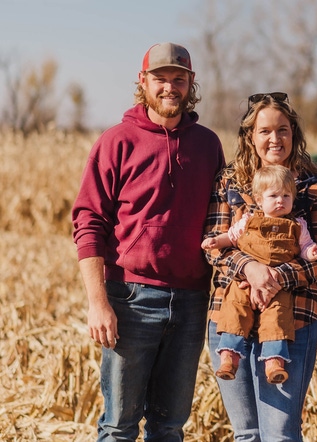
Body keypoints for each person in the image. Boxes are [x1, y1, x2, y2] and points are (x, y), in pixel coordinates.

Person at [72, 42, 225, 441]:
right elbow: (88, 222)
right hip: (130, 298)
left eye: (179, 79)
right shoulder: (116, 141)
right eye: (161, 79)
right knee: (119, 425)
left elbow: (224, 218)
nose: (170, 87)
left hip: (192, 301)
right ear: (143, 82)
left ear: (191, 84)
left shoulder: (208, 145)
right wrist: (97, 302)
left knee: (169, 426)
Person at [203, 92, 317, 441]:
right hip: (229, 316)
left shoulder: (316, 183)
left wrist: (276, 277)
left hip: (292, 319)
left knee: (280, 432)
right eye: (264, 131)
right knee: (247, 433)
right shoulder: (230, 181)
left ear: (294, 133)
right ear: (251, 135)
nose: (274, 138)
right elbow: (214, 244)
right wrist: (249, 268)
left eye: (282, 130)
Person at [202, 164, 317, 384]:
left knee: (277, 316)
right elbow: (230, 238)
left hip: (278, 287)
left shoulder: (297, 225)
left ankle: (274, 361)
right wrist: (215, 241)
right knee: (234, 308)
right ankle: (229, 355)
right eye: (274, 195)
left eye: (286, 196)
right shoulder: (248, 220)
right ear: (259, 200)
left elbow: (305, 247)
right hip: (244, 284)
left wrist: (312, 252)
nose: (280, 200)